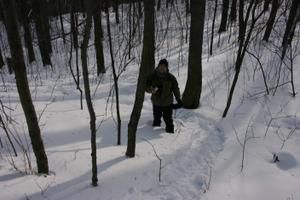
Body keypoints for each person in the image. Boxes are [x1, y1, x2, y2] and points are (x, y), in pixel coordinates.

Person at [146, 59, 183, 133]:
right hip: (156, 103)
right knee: (156, 120)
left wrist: (178, 98)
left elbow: (175, 89)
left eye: (164, 66)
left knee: (168, 121)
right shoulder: (153, 76)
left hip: (167, 103)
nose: (162, 68)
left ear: (166, 68)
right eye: (161, 66)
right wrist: (151, 89)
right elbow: (146, 87)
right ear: (158, 66)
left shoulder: (171, 78)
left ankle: (170, 135)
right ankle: (153, 135)